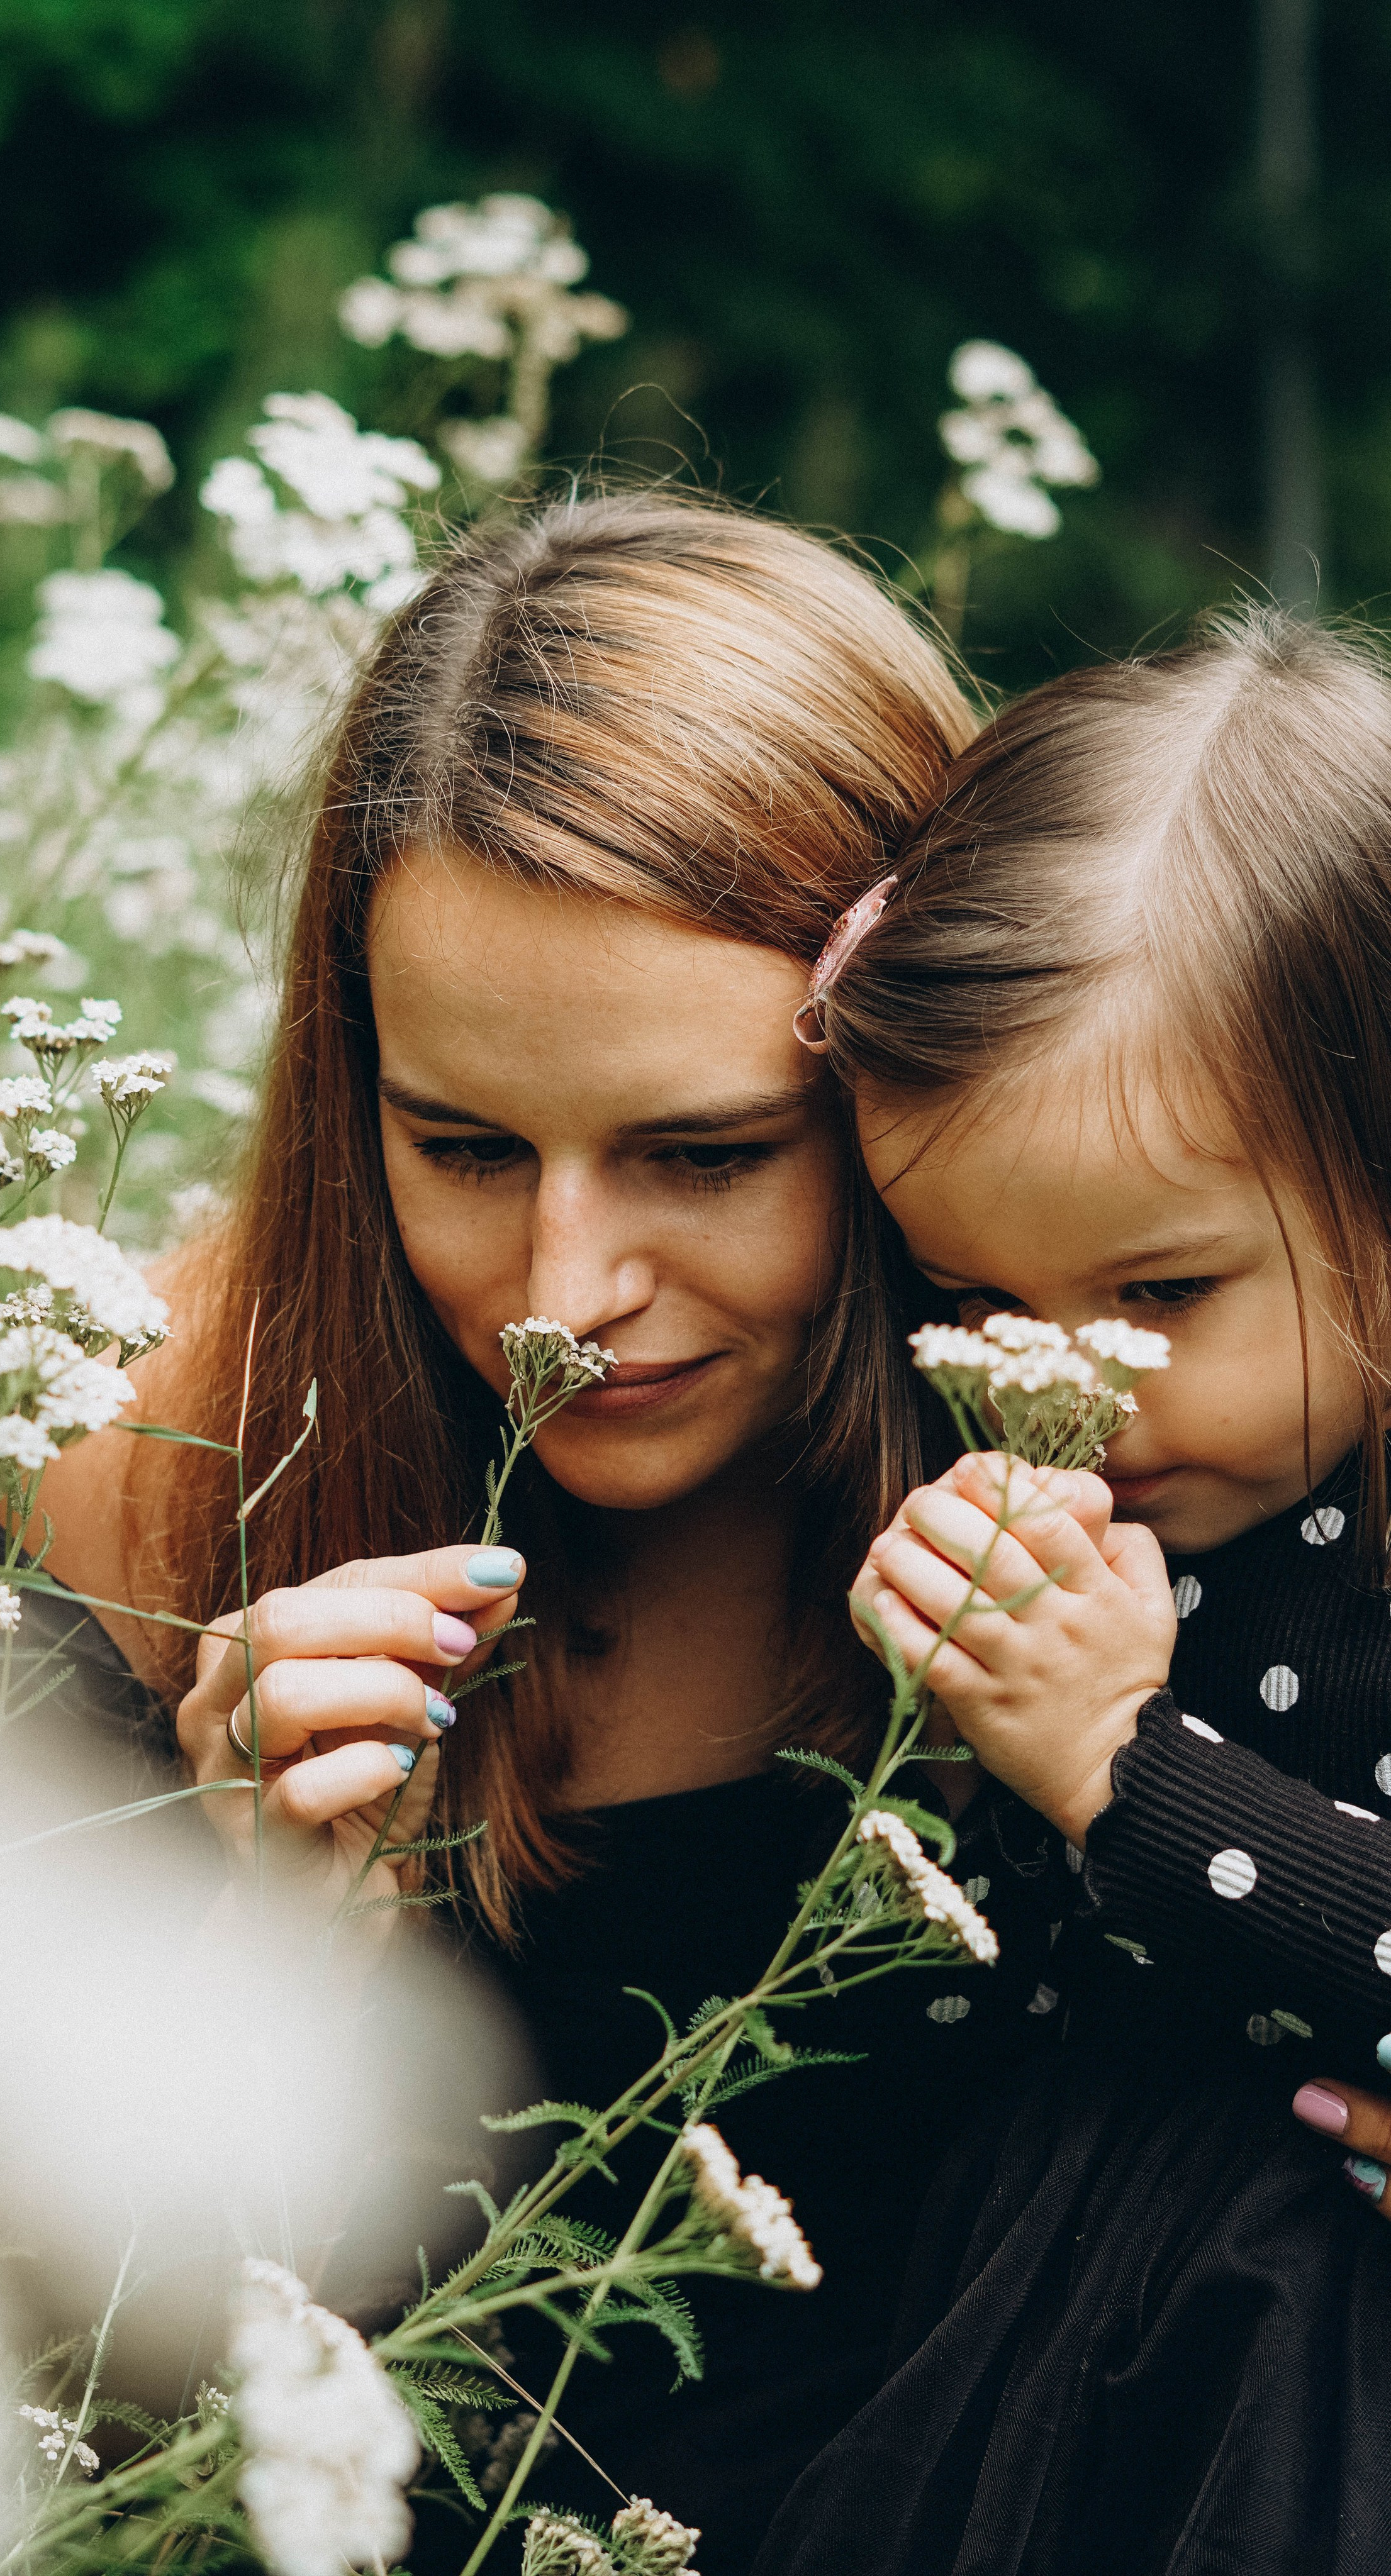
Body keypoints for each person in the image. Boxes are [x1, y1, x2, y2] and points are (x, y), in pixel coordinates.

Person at [30, 492, 1062, 2568]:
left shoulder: (1147, 1452)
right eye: (467, 1146)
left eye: (704, 1153)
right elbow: (54, 2396)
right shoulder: (166, 1452)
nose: (559, 1297)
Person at [759, 608, 1391, 2576]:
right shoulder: (1103, 1507)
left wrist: (1125, 1764)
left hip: (1309, 2381)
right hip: (1035, 2332)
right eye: (977, 1304)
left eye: (1161, 1294)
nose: (1066, 1384)